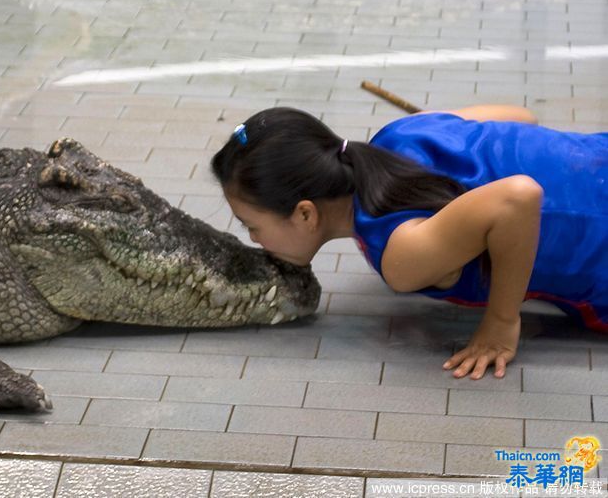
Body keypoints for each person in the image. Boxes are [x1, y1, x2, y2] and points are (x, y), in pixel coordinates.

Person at [211, 106, 607, 380]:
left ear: (305, 214)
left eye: (251, 225)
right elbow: (521, 117)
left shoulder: (400, 258)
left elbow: (519, 198)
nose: (254, 240)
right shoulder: (402, 131)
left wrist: (501, 323)